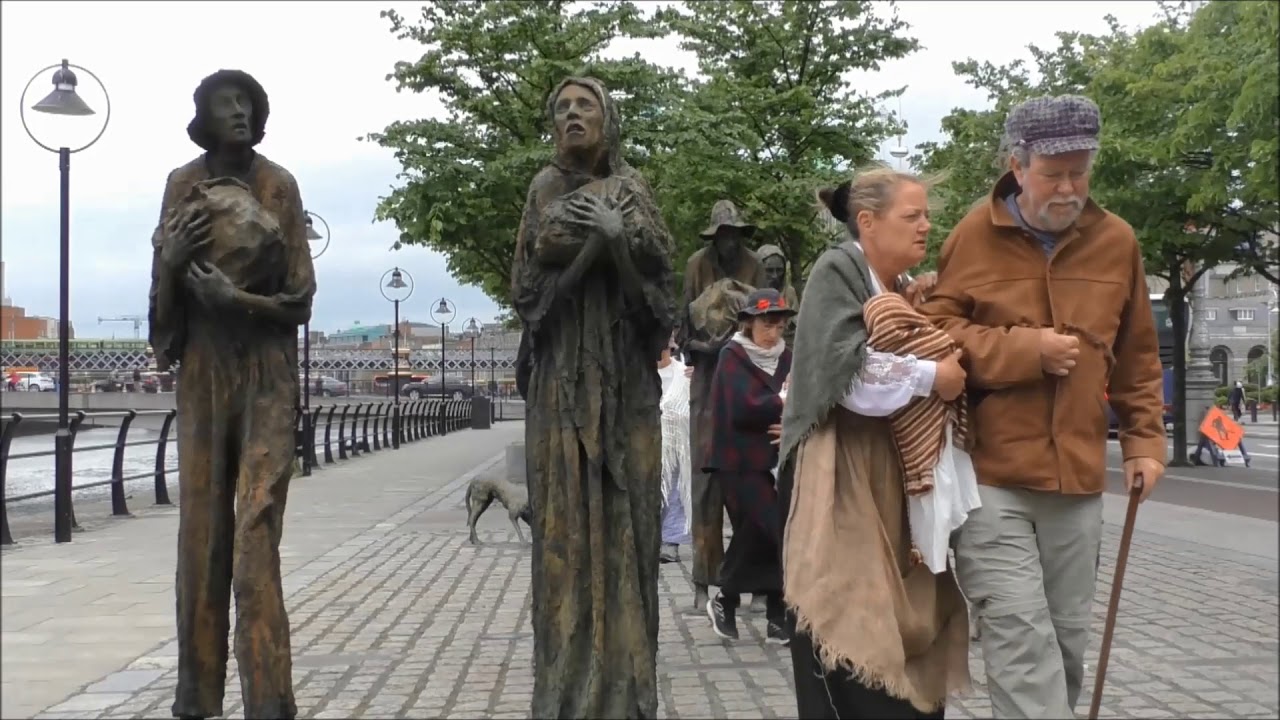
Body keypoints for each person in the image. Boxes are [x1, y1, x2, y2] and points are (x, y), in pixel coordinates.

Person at [920, 95, 1168, 719]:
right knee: (1019, 637)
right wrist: (1024, 350)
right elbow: (936, 337)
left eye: (1080, 172)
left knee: (1064, 642)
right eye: (1054, 173)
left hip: (1079, 478)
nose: (1068, 187)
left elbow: (1138, 352)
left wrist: (1143, 442)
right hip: (992, 479)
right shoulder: (972, 237)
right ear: (1018, 166)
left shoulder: (1117, 242)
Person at [150, 69, 315, 720]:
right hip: (203, 371)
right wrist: (169, 265)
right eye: (226, 104)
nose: (240, 112)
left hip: (266, 371)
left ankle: (271, 703)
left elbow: (299, 300)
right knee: (201, 537)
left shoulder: (279, 186)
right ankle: (197, 700)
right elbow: (164, 314)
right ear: (203, 118)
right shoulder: (180, 185)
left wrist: (234, 298)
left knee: (253, 533)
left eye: (248, 102)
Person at [778, 168, 971, 719]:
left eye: (926, 216)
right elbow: (850, 376)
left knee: (903, 613)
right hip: (838, 475)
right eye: (912, 216)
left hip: (890, 477)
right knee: (846, 612)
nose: (925, 226)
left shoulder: (892, 289)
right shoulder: (837, 269)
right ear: (868, 222)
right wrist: (935, 376)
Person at [511, 76, 675, 719]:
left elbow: (654, 312)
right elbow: (533, 304)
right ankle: (563, 694)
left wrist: (621, 245)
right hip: (561, 388)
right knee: (562, 536)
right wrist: (598, 245)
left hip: (627, 386)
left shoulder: (635, 190)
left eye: (586, 105)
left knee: (630, 529)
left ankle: (630, 693)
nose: (573, 115)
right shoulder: (543, 191)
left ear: (608, 118)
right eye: (562, 108)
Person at [679, 200, 768, 611]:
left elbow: (770, 324)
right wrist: (707, 346)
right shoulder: (696, 265)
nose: (728, 242)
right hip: (709, 386)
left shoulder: (755, 266)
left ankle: (756, 581)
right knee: (706, 484)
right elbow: (683, 333)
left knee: (752, 484)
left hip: (748, 385)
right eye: (722, 235)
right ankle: (703, 579)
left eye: (734, 234)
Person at [702, 288, 794, 645]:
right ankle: (730, 595)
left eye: (780, 325)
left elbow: (800, 398)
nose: (774, 333)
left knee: (767, 531)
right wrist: (784, 402)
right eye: (767, 324)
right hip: (737, 460)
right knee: (769, 527)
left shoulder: (787, 358)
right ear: (749, 323)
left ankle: (770, 612)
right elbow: (743, 407)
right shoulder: (733, 356)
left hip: (776, 459)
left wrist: (789, 416)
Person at [658, 333, 693, 563]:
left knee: (676, 489)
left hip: (677, 444)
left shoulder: (683, 373)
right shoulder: (637, 375)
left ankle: (671, 540)